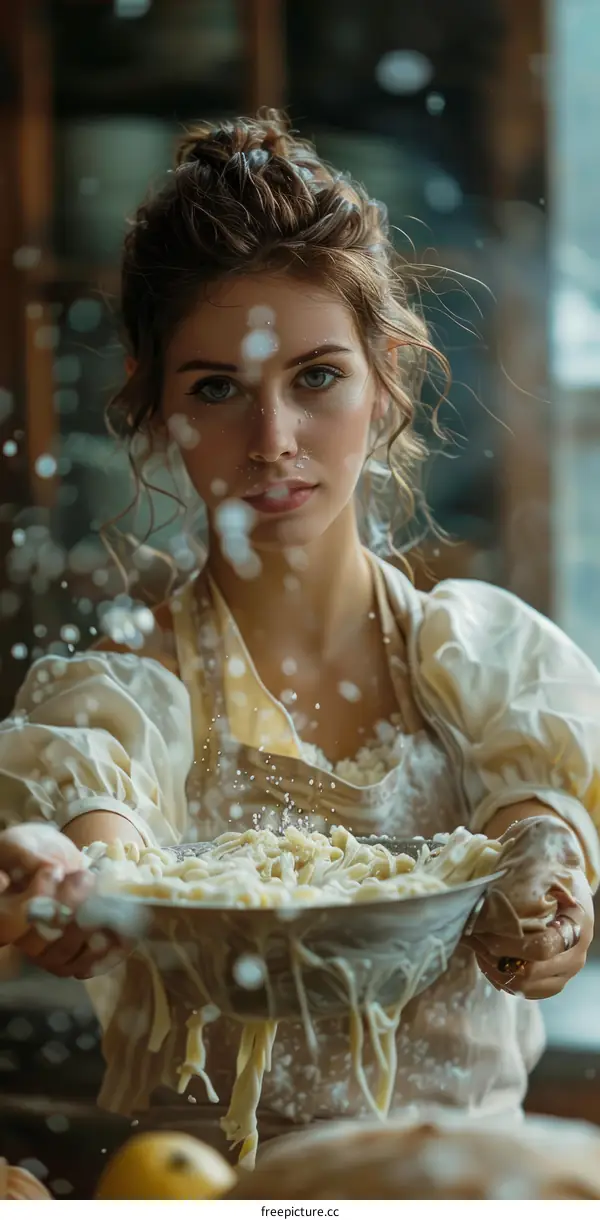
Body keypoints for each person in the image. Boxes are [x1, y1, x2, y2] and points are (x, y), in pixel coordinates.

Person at [0, 111, 598, 1156]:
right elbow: (105, 826)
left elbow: (537, 818)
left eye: (316, 377)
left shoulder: (489, 664)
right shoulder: (121, 684)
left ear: (388, 378)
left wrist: (549, 898)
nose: (272, 441)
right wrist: (68, 880)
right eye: (217, 387)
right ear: (156, 409)